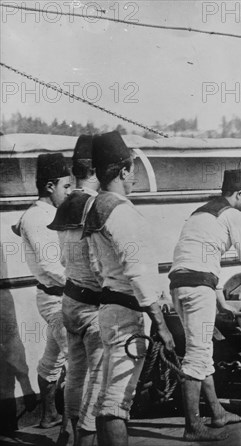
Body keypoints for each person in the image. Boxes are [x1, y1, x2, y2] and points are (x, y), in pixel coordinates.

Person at [83, 131, 175, 446]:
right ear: (123, 171)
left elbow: (95, 267)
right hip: (127, 316)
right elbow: (137, 272)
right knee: (117, 403)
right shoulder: (121, 210)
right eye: (132, 171)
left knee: (109, 399)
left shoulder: (95, 207)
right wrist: (161, 325)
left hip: (110, 309)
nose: (133, 178)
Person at [169, 168, 241, 441]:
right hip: (196, 288)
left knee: (202, 350)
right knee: (198, 355)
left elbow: (200, 257)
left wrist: (221, 303)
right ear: (237, 194)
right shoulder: (232, 215)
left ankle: (217, 413)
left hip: (179, 286)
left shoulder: (200, 214)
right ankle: (192, 427)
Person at [47, 135, 104, 445]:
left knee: (76, 373)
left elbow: (63, 257)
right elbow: (97, 262)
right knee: (97, 376)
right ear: (98, 169)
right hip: (94, 306)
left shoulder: (66, 203)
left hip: (70, 300)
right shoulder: (94, 205)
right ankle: (87, 438)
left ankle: (68, 431)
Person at [12, 152, 72, 428]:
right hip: (56, 300)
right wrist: (85, 288)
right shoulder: (37, 218)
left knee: (52, 359)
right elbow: (50, 267)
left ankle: (49, 415)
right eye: (66, 186)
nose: (70, 192)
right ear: (50, 186)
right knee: (78, 361)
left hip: (63, 297)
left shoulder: (50, 213)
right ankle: (77, 431)